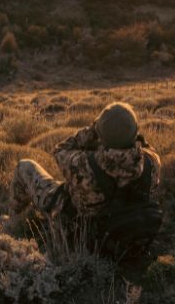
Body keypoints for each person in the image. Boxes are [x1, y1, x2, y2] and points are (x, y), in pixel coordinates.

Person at [9, 101, 161, 255]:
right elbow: (145, 145)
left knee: (25, 166)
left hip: (85, 237)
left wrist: (92, 131)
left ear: (101, 135)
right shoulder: (152, 162)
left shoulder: (84, 165)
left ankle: (14, 220)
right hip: (126, 229)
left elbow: (60, 150)